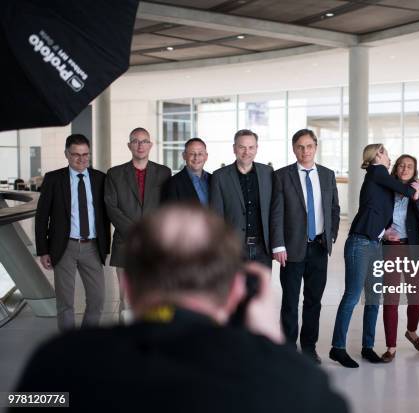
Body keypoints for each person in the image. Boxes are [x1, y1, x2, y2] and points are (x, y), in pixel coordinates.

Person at [14, 204, 349, 413]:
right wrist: (272, 348)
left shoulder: (57, 363)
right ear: (236, 289)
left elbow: (27, 402)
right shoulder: (296, 385)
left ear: (128, 286)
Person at [330, 144, 417, 368]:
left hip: (375, 242)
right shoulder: (378, 171)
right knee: (352, 295)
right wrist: (415, 190)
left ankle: (367, 347)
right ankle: (337, 348)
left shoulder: (379, 180)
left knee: (373, 298)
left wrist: (384, 231)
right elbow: (407, 191)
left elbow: (376, 210)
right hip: (360, 243)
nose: (390, 158)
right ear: (378, 155)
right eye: (387, 153)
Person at [270, 129, 340, 363]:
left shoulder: (328, 175)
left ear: (316, 147)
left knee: (313, 301)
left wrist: (331, 235)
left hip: (319, 247)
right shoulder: (281, 176)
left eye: (309, 146)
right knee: (290, 301)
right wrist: (278, 245)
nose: (305, 151)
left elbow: (334, 208)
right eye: (300, 146)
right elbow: (276, 213)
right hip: (291, 249)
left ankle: (309, 348)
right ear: (294, 149)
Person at [34, 134, 110, 331]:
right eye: (76, 154)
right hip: (63, 247)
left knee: (97, 299)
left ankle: (85, 341)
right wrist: (43, 250)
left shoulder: (100, 178)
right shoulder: (53, 179)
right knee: (66, 302)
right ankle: (68, 347)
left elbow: (107, 213)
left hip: (92, 247)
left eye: (86, 154)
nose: (81, 159)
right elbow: (42, 217)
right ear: (66, 154)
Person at [104, 127, 171, 322]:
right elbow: (111, 208)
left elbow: (167, 207)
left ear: (150, 145)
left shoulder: (164, 173)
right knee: (127, 301)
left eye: (144, 141)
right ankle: (127, 346)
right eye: (135, 141)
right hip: (125, 244)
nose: (140, 145)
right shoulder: (114, 174)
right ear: (129, 145)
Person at [380, 154, 419, 363]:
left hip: (414, 247)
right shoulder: (384, 190)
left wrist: (417, 199)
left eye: (409, 166)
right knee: (391, 298)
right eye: (401, 165)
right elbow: (374, 215)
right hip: (391, 248)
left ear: (414, 170)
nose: (405, 169)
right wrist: (382, 232)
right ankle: (391, 346)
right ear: (395, 169)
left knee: (416, 296)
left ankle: (412, 331)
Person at [210, 129, 273, 267]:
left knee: (261, 288)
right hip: (233, 250)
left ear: (257, 148)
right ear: (234, 148)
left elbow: (275, 210)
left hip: (263, 249)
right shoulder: (219, 177)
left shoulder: (268, 173)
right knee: (235, 289)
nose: (247, 152)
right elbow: (216, 217)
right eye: (242, 147)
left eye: (251, 147)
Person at [163, 138, 210, 205]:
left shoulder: (214, 180)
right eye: (192, 153)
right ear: (184, 156)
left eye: (200, 154)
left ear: (206, 157)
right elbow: (172, 213)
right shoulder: (173, 183)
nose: (196, 157)